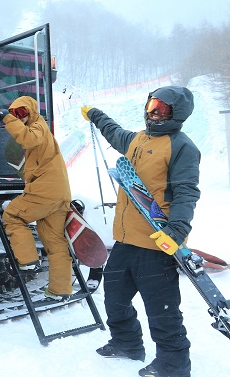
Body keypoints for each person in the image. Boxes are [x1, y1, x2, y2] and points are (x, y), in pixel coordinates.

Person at [81, 85, 200, 377]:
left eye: (163, 110)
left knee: (162, 310)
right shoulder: (136, 139)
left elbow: (186, 192)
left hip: (157, 242)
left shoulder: (182, 147)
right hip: (125, 238)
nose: (155, 114)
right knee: (115, 298)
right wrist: (96, 115)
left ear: (178, 114)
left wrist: (176, 230)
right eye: (152, 107)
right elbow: (114, 131)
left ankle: (173, 365)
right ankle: (127, 343)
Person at [0, 96, 73, 301]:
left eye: (21, 113)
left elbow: (29, 138)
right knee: (55, 243)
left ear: (31, 110)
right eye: (14, 114)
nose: (18, 118)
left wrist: (7, 119)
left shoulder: (38, 126)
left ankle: (28, 260)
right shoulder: (38, 129)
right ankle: (60, 289)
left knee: (12, 215)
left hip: (45, 191)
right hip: (59, 192)